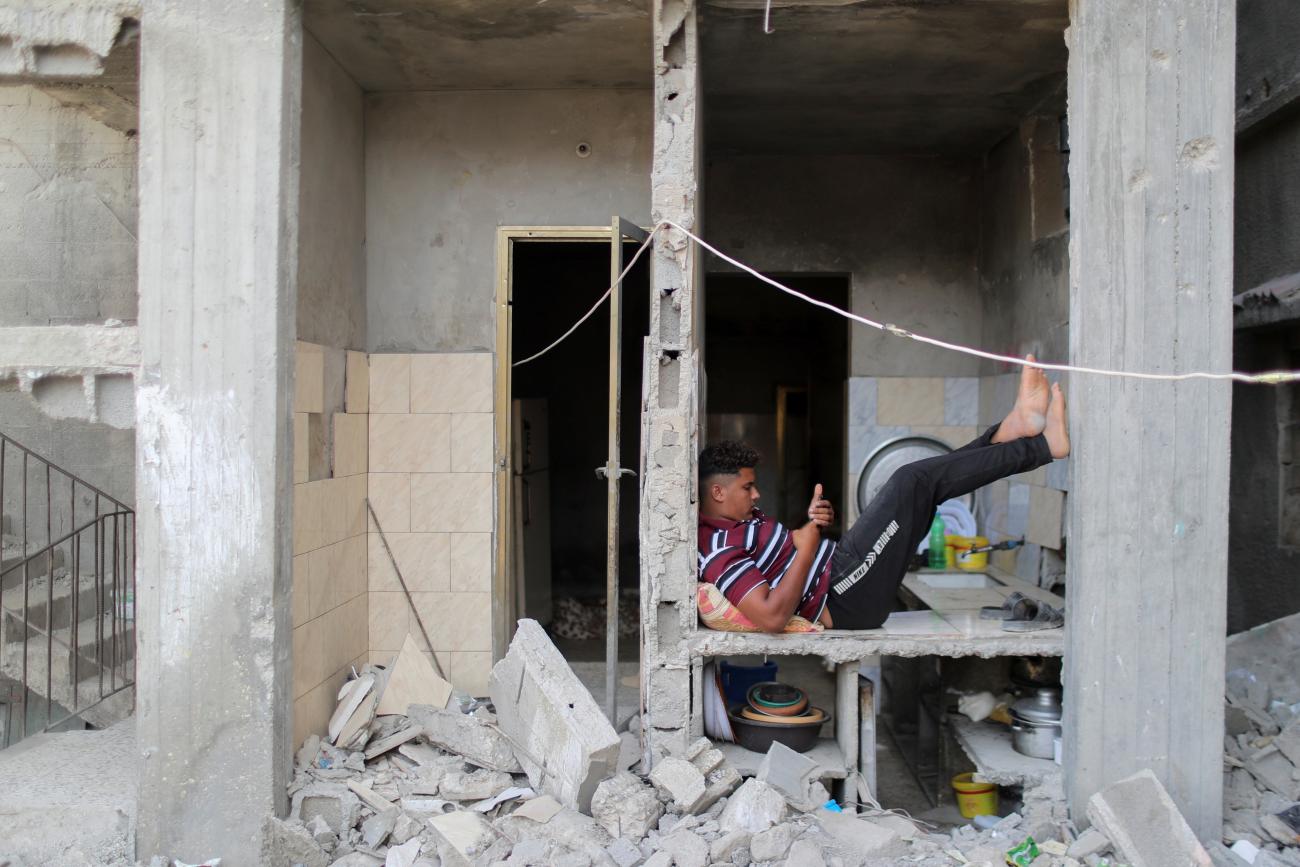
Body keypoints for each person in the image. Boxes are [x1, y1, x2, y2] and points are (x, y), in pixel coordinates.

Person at [697, 358, 1070, 632]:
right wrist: (808, 549)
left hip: (841, 570)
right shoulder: (718, 552)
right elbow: (772, 617)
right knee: (911, 481)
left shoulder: (743, 521)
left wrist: (810, 525)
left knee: (923, 485)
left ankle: (1011, 430)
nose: (757, 493)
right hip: (841, 597)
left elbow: (789, 545)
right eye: (748, 487)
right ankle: (1044, 447)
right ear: (717, 491)